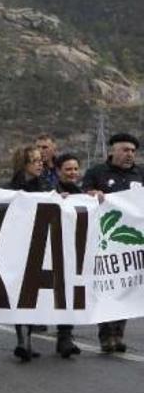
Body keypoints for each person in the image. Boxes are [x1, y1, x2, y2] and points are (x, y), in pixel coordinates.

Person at [82, 133, 143, 353]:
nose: (130, 154)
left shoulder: (140, 174)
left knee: (127, 286)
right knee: (106, 285)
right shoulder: (97, 173)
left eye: (133, 151)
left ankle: (118, 333)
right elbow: (82, 196)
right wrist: (92, 194)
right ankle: (105, 334)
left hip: (131, 242)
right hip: (104, 239)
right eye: (125, 150)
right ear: (113, 151)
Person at [6, 145, 53, 362]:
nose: (40, 163)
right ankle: (21, 338)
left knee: (35, 294)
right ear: (24, 164)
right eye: (34, 160)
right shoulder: (11, 189)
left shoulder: (45, 186)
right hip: (18, 246)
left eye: (40, 160)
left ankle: (29, 338)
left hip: (40, 243)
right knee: (21, 293)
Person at [52, 153, 84, 358]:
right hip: (50, 248)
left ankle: (65, 337)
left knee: (67, 294)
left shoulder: (82, 194)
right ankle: (26, 338)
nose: (72, 173)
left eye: (75, 169)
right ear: (58, 171)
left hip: (71, 251)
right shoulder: (49, 191)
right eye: (67, 169)